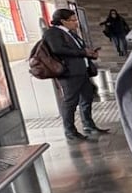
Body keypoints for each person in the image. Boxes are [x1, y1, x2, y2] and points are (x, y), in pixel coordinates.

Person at [42, 9, 109, 141]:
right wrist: (83, 53)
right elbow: (58, 49)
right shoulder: (53, 33)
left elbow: (79, 49)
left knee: (87, 98)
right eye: (73, 20)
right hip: (69, 73)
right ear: (63, 21)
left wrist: (90, 53)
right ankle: (70, 130)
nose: (76, 23)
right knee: (70, 102)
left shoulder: (71, 33)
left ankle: (88, 125)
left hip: (81, 71)